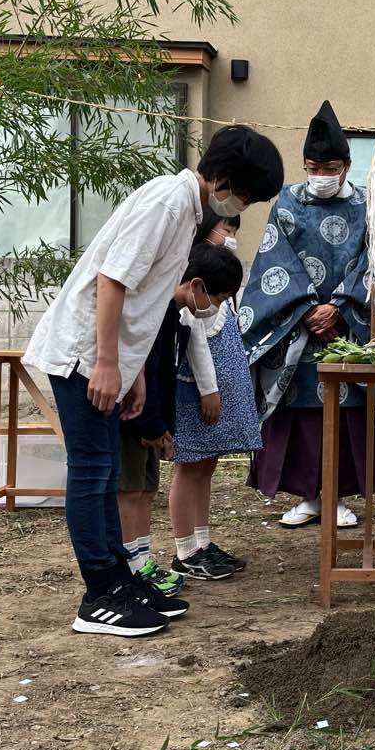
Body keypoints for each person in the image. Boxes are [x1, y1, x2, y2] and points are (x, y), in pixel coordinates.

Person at [22, 125, 284, 637]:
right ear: (225, 178)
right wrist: (104, 361)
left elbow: (146, 300)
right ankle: (100, 594)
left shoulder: (186, 211)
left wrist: (135, 368)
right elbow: (112, 280)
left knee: (106, 468)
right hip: (80, 353)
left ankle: (118, 581)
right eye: (246, 194)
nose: (242, 207)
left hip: (112, 356)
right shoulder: (168, 203)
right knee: (94, 471)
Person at [239, 101, 375, 529]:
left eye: (330, 167)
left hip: (349, 324)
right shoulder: (286, 202)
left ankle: (336, 498)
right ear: (305, 166)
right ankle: (308, 497)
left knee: (348, 409)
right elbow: (273, 264)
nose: (321, 175)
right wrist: (305, 309)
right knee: (299, 413)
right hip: (297, 327)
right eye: (313, 167)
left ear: (348, 165)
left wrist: (339, 306)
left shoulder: (367, 205)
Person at [118, 238, 244, 594]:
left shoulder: (173, 317)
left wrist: (163, 427)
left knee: (144, 489)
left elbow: (165, 380)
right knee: (128, 491)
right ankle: (133, 568)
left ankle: (143, 563)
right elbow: (143, 374)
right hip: (133, 417)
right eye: (217, 299)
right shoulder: (152, 316)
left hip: (152, 420)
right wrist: (150, 425)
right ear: (197, 285)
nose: (216, 307)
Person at [167, 215, 261, 581]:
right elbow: (197, 346)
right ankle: (184, 549)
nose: (230, 237)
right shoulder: (191, 296)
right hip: (198, 389)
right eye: (226, 229)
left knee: (207, 464)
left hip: (219, 387)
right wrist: (209, 390)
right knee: (189, 465)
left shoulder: (217, 281)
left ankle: (202, 541)